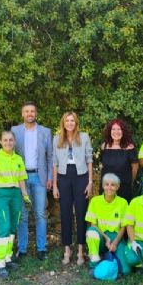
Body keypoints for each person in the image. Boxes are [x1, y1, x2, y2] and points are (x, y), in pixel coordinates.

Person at [0, 130, 32, 278]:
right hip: (1, 195)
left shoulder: (18, 159)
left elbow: (21, 179)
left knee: (12, 227)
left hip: (15, 195)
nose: (8, 143)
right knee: (3, 226)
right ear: (0, 142)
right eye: (5, 140)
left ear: (14, 142)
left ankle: (7, 257)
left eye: (11, 140)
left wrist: (25, 195)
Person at [12, 101, 53, 261]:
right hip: (21, 178)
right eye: (27, 111)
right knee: (22, 215)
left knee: (40, 214)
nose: (30, 114)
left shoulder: (45, 132)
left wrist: (49, 177)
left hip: (39, 177)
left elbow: (49, 157)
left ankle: (41, 248)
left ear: (36, 114)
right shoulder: (15, 131)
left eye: (32, 111)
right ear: (22, 114)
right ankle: (22, 249)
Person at [53, 111, 93, 265]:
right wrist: (55, 185)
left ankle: (81, 250)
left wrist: (90, 182)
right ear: (63, 123)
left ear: (76, 123)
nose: (70, 123)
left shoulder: (84, 137)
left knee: (82, 213)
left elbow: (89, 159)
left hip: (81, 176)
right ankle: (67, 250)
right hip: (63, 177)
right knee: (65, 213)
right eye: (67, 120)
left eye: (72, 121)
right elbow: (54, 162)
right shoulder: (57, 139)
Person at [85, 173, 128, 268]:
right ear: (103, 186)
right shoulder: (95, 201)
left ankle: (105, 256)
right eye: (106, 184)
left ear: (118, 187)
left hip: (116, 237)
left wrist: (115, 243)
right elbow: (93, 225)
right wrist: (106, 239)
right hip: (101, 236)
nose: (109, 187)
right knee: (91, 232)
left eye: (113, 185)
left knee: (125, 269)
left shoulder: (123, 203)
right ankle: (94, 263)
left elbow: (123, 227)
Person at [100, 119, 139, 202]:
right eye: (113, 129)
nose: (116, 132)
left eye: (119, 129)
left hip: (124, 186)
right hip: (106, 186)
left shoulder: (130, 147)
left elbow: (135, 167)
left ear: (123, 131)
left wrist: (130, 182)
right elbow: (102, 165)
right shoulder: (104, 146)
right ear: (109, 132)